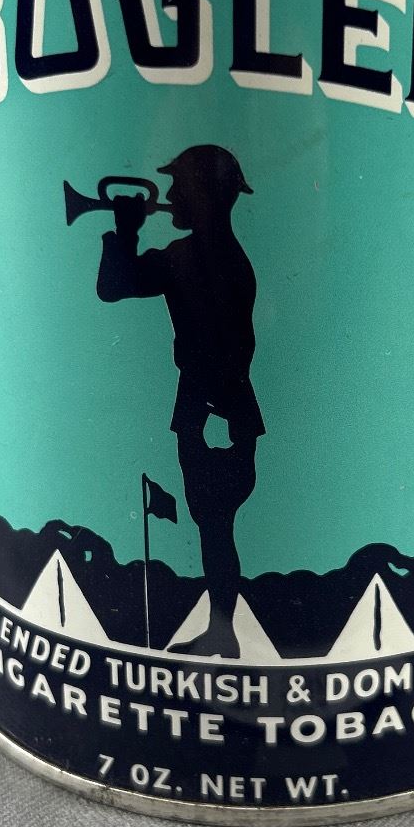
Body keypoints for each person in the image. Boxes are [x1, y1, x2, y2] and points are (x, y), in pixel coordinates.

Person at [97, 145, 263, 659]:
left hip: (215, 413)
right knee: (213, 528)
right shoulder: (212, 255)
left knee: (215, 526)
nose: (169, 196)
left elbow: (114, 285)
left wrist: (125, 230)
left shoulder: (195, 258)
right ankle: (222, 631)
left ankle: (223, 632)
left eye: (179, 187)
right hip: (217, 412)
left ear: (204, 194)